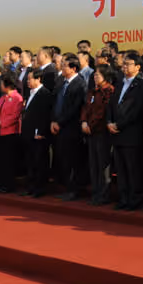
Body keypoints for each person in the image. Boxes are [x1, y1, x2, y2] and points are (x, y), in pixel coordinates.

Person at [108, 51, 143, 210]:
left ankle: (134, 198)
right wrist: (109, 122)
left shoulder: (141, 85)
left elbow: (136, 110)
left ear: (138, 66)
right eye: (123, 64)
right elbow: (111, 105)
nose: (124, 66)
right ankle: (123, 197)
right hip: (116, 133)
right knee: (121, 169)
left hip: (131, 133)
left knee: (132, 168)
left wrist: (119, 125)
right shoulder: (119, 82)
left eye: (128, 64)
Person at [51, 55, 87, 201]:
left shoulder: (80, 84)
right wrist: (53, 120)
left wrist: (60, 122)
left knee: (73, 160)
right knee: (63, 158)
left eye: (65, 65)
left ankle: (74, 189)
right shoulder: (61, 82)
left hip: (71, 128)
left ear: (73, 68)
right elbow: (54, 102)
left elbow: (75, 108)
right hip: (59, 127)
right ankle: (67, 187)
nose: (62, 67)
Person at [83, 65, 113, 204]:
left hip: (101, 132)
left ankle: (104, 194)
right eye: (94, 75)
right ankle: (95, 192)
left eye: (98, 75)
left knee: (102, 164)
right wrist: (84, 122)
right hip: (90, 132)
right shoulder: (92, 91)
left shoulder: (109, 91)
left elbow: (103, 112)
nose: (95, 77)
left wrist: (91, 124)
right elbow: (85, 108)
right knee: (93, 163)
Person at [21, 68, 52, 198]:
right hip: (28, 133)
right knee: (30, 161)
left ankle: (40, 188)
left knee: (39, 161)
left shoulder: (45, 94)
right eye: (27, 79)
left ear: (38, 79)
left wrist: (41, 131)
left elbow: (45, 115)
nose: (28, 81)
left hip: (38, 134)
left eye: (30, 79)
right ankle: (31, 186)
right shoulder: (30, 93)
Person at [0, 75, 23, 193]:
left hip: (10, 132)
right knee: (0, 159)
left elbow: (15, 116)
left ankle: (8, 185)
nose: (0, 86)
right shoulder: (2, 97)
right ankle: (1, 183)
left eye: (2, 84)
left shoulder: (17, 98)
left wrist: (2, 123)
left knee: (8, 160)